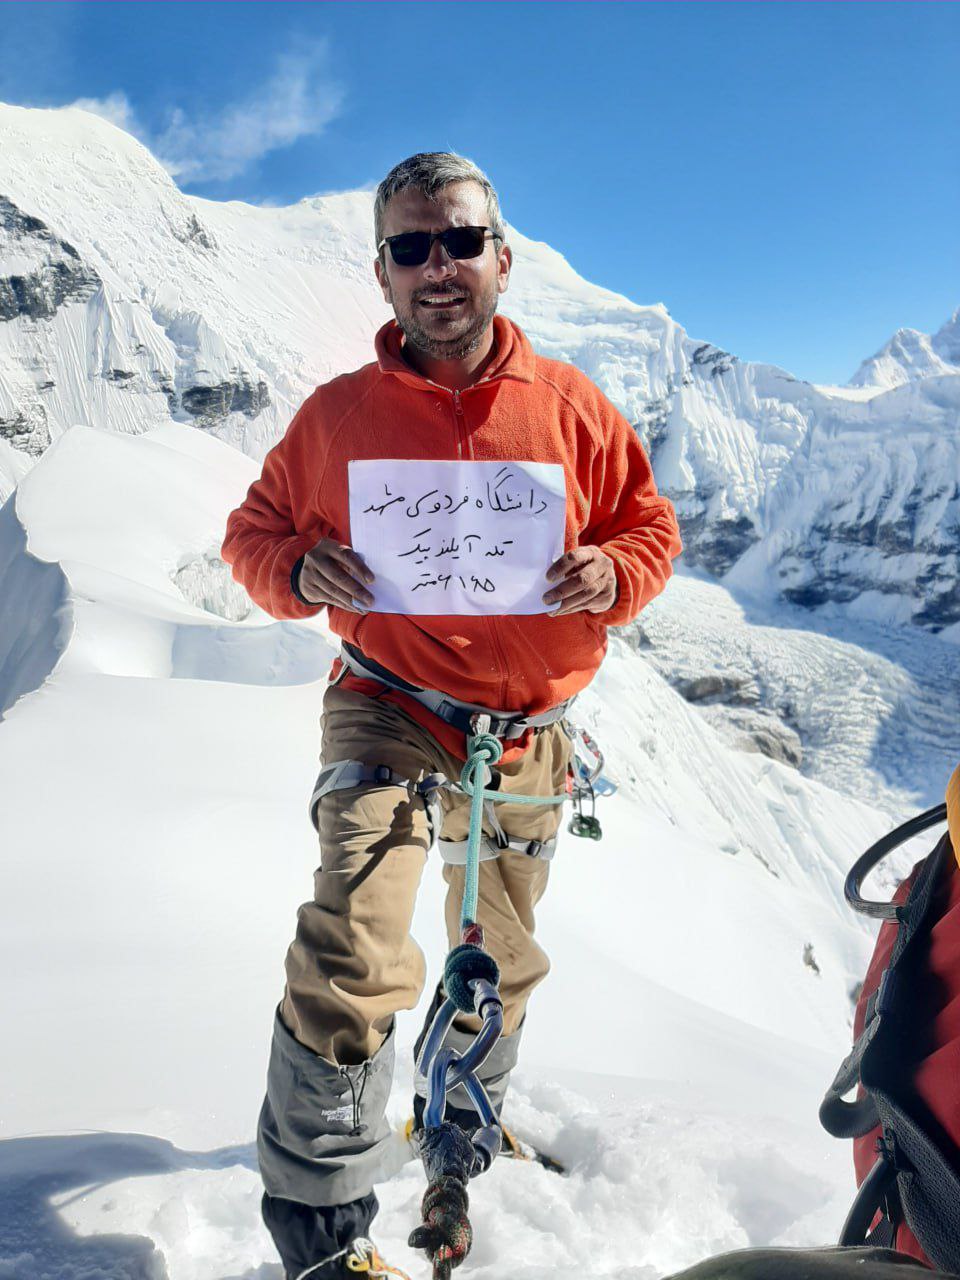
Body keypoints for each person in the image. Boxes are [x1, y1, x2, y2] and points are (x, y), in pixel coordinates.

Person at [222, 151, 682, 1279]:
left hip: (528, 726)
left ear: (502, 259)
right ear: (381, 272)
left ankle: (459, 1126)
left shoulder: (573, 408)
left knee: (503, 954)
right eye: (412, 246)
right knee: (357, 941)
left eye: (460, 240)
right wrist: (301, 569)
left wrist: (613, 570)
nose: (439, 266)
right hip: (389, 702)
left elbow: (650, 526)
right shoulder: (337, 418)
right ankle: (323, 1221)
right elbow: (251, 534)